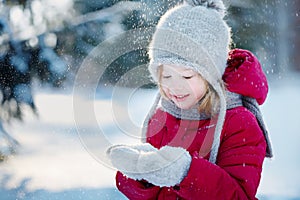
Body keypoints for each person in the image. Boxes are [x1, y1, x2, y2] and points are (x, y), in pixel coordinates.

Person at [107, 0, 273, 199]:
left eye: (187, 76)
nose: (175, 86)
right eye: (166, 76)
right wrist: (140, 173)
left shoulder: (239, 123)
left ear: (210, 75)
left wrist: (185, 173)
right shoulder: (162, 115)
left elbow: (238, 196)